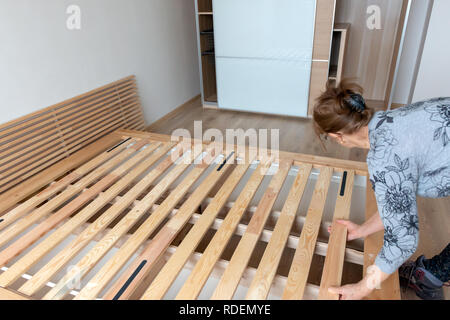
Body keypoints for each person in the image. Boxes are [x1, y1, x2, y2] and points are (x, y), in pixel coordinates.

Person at [313, 80, 449, 300]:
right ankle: (431, 274)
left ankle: (428, 277)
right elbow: (399, 204)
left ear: (338, 135)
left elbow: (403, 240)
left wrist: (362, 288)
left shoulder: (384, 158)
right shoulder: (395, 118)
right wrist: (362, 230)